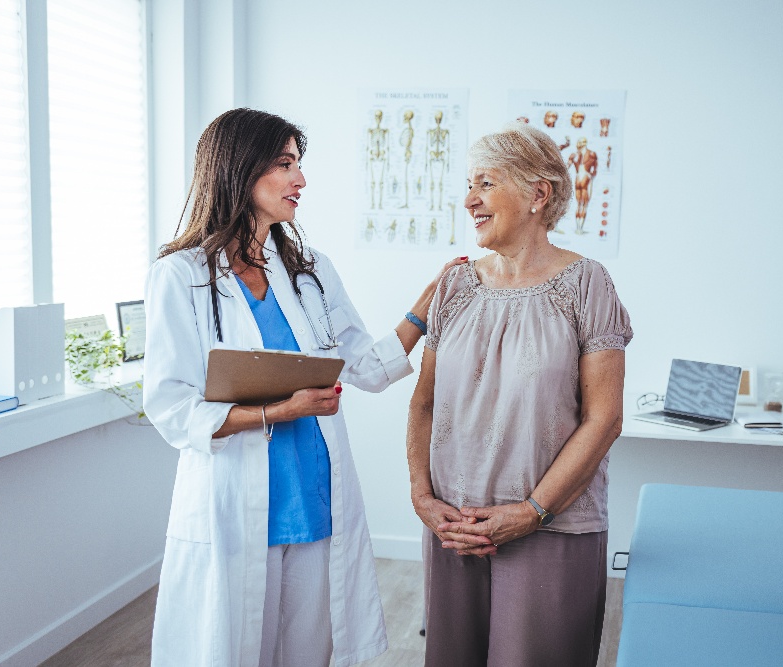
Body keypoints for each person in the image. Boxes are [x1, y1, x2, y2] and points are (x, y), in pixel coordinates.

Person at [143, 108, 465, 667]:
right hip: (236, 500)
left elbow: (365, 365)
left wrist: (427, 301)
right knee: (235, 650)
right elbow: (171, 407)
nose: (301, 180)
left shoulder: (310, 269)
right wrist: (278, 410)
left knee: (306, 653)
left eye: (299, 163)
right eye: (285, 164)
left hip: (313, 495)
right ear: (239, 170)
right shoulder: (182, 275)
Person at [406, 122, 632, 667]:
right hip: (455, 528)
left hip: (550, 529)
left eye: (484, 183)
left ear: (538, 194)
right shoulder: (455, 286)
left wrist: (531, 512)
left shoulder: (587, 284)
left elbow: (604, 419)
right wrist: (423, 499)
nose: (469, 200)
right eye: (467, 184)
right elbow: (424, 404)